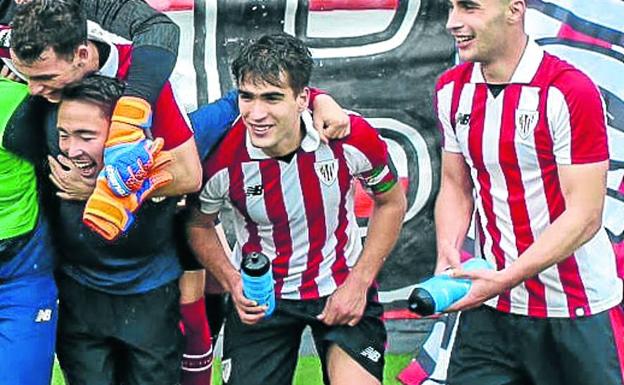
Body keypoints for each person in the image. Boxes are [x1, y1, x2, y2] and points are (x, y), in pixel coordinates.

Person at [187, 32, 407, 385]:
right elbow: (198, 225)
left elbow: (391, 202)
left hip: (340, 285)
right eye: (248, 97)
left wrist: (359, 282)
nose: (256, 113)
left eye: (272, 98)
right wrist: (232, 280)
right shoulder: (222, 158)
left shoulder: (349, 137)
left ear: (303, 98)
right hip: (263, 301)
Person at [434, 1, 624, 384]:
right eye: (452, 7)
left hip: (574, 310)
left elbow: (585, 214)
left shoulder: (569, 90)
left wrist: (508, 277)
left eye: (469, 8)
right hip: (491, 311)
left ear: (514, 9)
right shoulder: (450, 90)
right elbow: (456, 185)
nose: (454, 22)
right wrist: (448, 248)